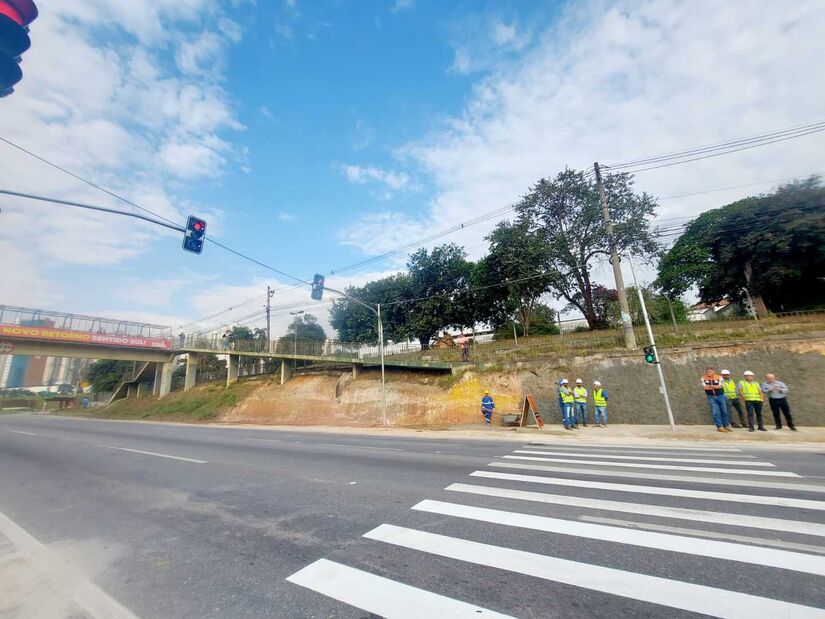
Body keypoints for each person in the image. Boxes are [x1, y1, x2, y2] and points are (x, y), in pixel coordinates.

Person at [702, 367, 731, 432]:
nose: (708, 373)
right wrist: (715, 386)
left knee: (724, 411)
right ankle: (719, 426)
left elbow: (720, 386)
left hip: (720, 395)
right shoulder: (703, 378)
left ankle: (726, 425)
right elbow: (705, 387)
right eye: (707, 371)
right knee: (715, 411)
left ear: (713, 372)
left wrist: (711, 386)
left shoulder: (719, 377)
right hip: (711, 396)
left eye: (710, 371)